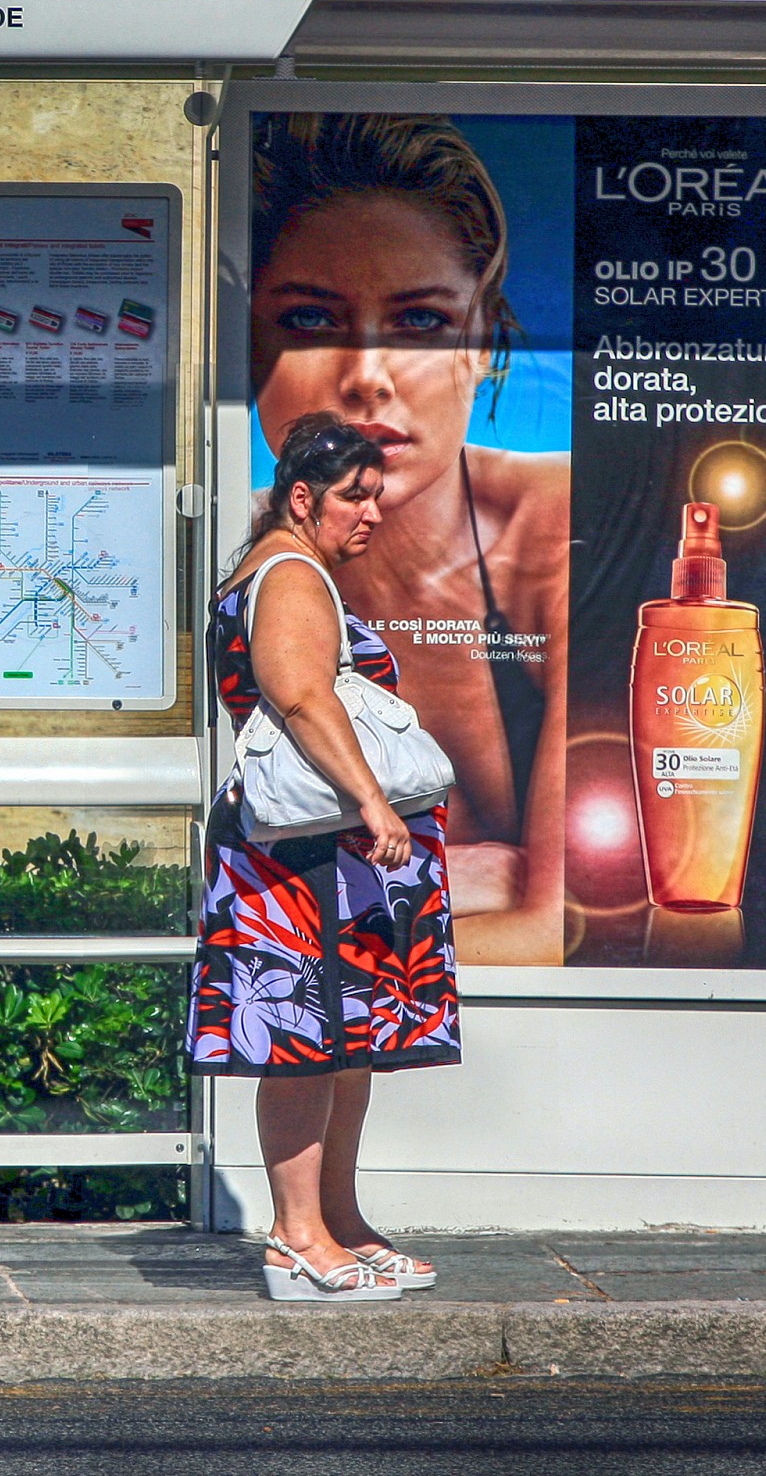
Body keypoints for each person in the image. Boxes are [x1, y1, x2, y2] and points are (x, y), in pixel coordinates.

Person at [249, 112, 568, 965]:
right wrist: (469, 879)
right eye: (312, 321)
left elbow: (563, 930)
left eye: (420, 323)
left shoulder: (552, 524)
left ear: (484, 343)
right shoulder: (235, 553)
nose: (365, 377)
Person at [191, 411, 461, 1301]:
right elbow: (304, 699)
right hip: (303, 860)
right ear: (302, 499)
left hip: (322, 857)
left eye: (377, 497)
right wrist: (374, 802)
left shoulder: (277, 568)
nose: (371, 515)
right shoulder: (291, 574)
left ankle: (337, 1220)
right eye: (354, 497)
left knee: (342, 1040)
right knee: (303, 1043)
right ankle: (296, 1235)